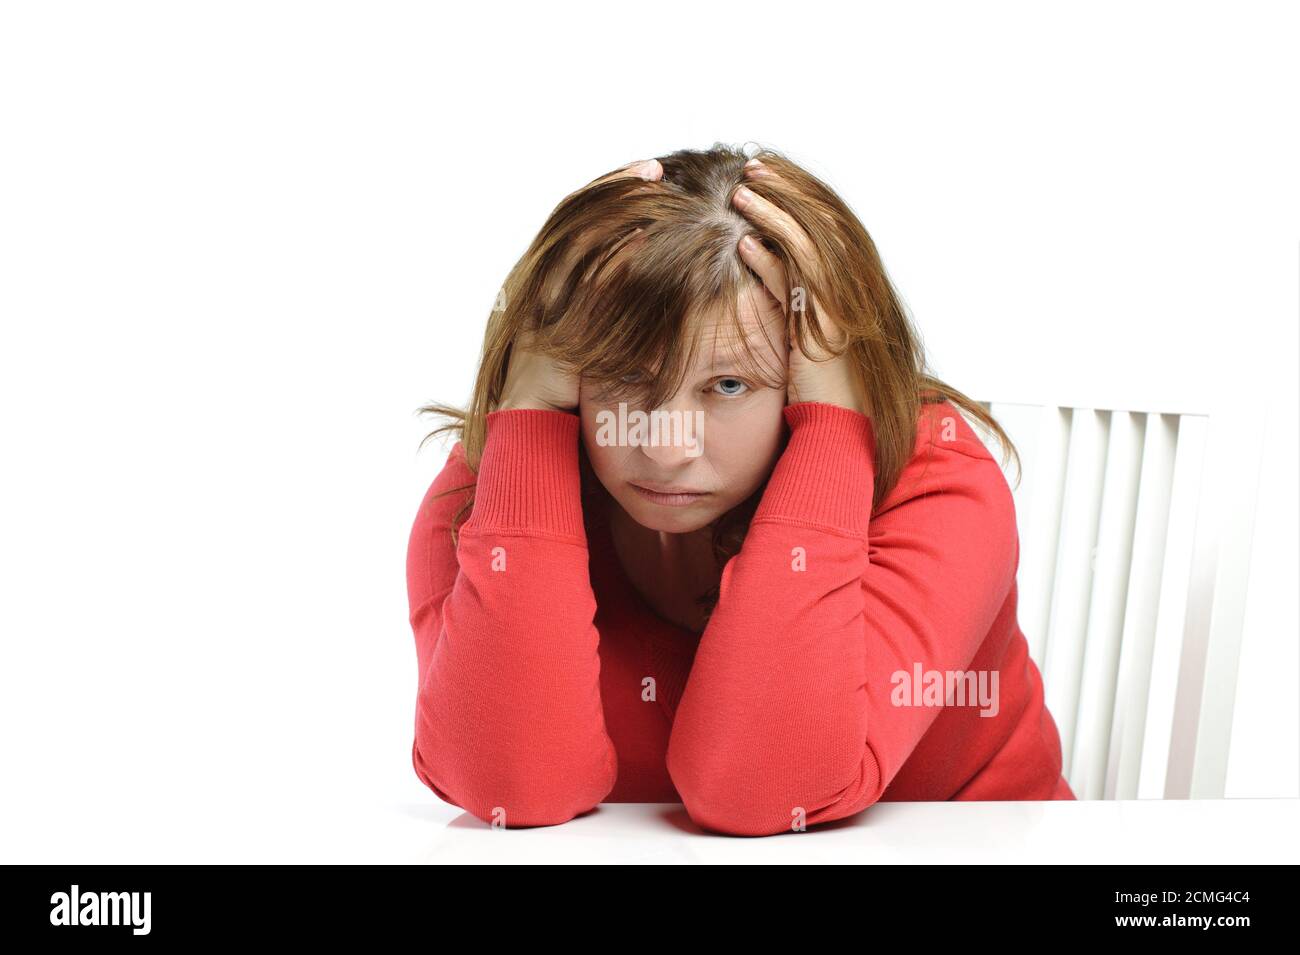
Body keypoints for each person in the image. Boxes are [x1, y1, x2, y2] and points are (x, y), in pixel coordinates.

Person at [406, 144, 1075, 836]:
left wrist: (832, 439)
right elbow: (508, 787)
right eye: (623, 376)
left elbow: (761, 791)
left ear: (814, 377)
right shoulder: (491, 495)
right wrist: (530, 421)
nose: (668, 446)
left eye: (728, 385)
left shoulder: (939, 485)